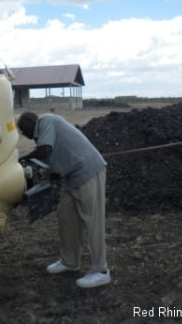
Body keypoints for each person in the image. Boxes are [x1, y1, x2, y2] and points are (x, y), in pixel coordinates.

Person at [17, 111, 110, 288]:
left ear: (31, 120)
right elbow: (53, 165)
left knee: (93, 222)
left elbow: (45, 151)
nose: (24, 134)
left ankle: (101, 271)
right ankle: (70, 262)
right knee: (66, 217)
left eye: (23, 129)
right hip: (72, 177)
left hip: (88, 171)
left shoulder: (45, 120)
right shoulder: (43, 136)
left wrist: (21, 160)